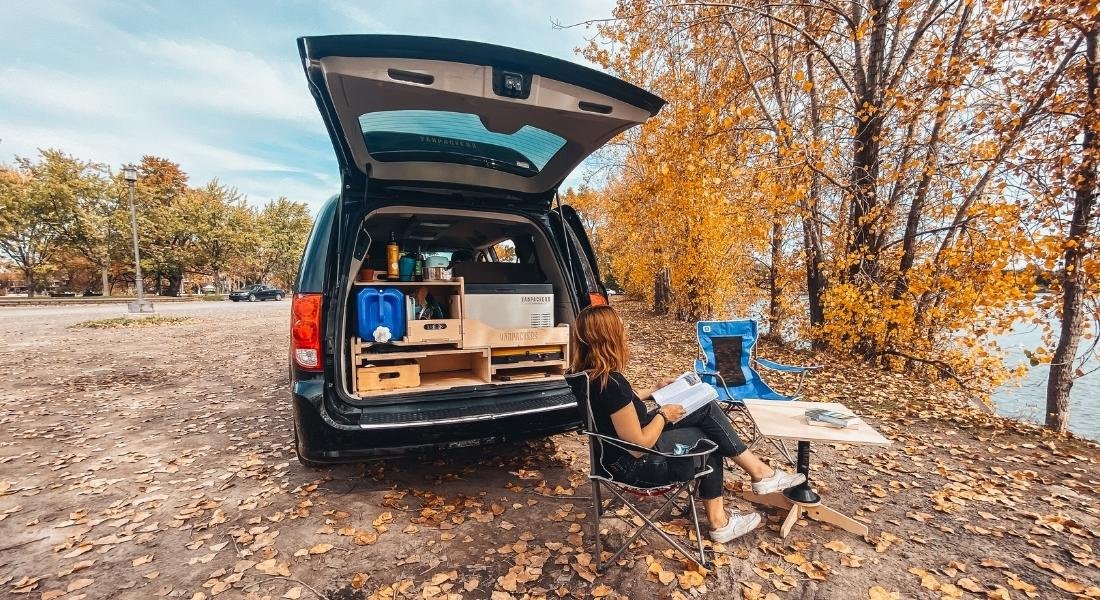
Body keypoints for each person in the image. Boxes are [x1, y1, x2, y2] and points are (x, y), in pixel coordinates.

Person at [571, 304, 806, 543]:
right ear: (609, 337)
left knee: (703, 411)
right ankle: (724, 518)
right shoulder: (611, 383)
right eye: (621, 330)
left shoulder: (587, 376)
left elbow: (617, 406)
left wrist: (653, 390)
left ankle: (758, 477)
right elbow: (637, 445)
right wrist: (663, 415)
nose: (625, 335)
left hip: (611, 458)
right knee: (707, 440)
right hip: (633, 465)